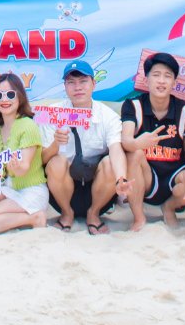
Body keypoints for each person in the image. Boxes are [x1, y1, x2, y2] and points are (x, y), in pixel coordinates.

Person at [120, 51, 185, 230]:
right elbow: (126, 140)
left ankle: (169, 208)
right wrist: (138, 143)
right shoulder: (133, 106)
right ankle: (139, 218)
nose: (161, 81)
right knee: (133, 154)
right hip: (146, 178)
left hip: (174, 178)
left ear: (174, 83)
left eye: (167, 76)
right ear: (146, 80)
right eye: (156, 75)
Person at [42, 59, 127, 233]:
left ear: (93, 84)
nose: (77, 87)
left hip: (99, 189)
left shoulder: (108, 116)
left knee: (110, 163)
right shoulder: (52, 113)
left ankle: (93, 214)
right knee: (56, 162)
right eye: (71, 82)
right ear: (65, 86)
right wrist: (55, 144)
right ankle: (66, 214)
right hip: (62, 191)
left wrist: (121, 179)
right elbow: (41, 159)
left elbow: (116, 150)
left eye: (83, 81)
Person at [0, 71, 48, 233]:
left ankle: (34, 218)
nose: (4, 100)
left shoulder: (28, 125)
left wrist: (15, 167)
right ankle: (12, 217)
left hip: (30, 191)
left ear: (20, 97)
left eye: (10, 94)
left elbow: (23, 168)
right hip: (8, 190)